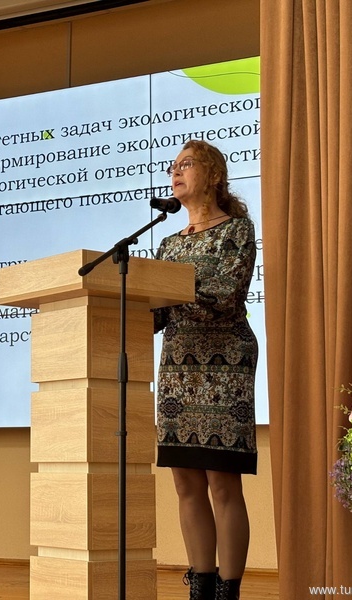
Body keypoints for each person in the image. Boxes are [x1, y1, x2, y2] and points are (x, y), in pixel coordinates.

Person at [153, 140, 258, 600]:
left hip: (225, 364)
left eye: (186, 164)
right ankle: (201, 585)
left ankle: (228, 590)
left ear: (213, 175)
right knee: (185, 481)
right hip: (178, 365)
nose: (176, 172)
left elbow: (224, 295)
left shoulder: (236, 230)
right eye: (173, 167)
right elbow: (158, 313)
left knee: (222, 480)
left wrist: (171, 292)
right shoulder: (168, 243)